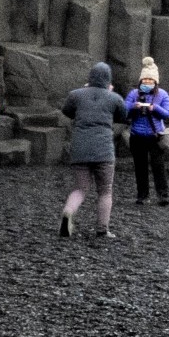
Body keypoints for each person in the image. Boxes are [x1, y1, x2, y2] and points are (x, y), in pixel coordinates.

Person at [60, 62, 126, 239]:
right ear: (108, 79)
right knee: (105, 190)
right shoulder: (114, 98)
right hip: (104, 150)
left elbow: (67, 111)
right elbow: (123, 116)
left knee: (80, 188)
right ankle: (102, 229)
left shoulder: (76, 95)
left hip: (80, 148)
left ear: (90, 77)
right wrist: (109, 94)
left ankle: (68, 211)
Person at [124, 57, 169, 206]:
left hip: (155, 136)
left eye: (150, 80)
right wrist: (134, 106)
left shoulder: (162, 94)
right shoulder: (134, 94)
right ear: (140, 81)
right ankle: (142, 196)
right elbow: (124, 110)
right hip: (137, 136)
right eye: (144, 80)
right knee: (140, 167)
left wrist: (155, 108)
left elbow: (168, 113)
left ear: (155, 82)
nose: (147, 83)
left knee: (158, 166)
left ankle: (163, 195)